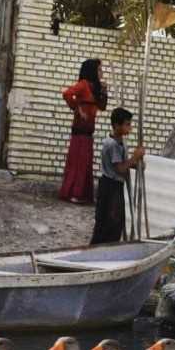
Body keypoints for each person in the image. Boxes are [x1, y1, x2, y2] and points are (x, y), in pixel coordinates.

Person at [91, 107, 145, 245]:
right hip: (110, 186)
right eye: (127, 124)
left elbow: (122, 163)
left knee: (115, 221)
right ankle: (102, 249)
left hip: (114, 185)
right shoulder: (112, 145)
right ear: (116, 125)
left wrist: (136, 164)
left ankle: (106, 247)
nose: (130, 127)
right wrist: (134, 158)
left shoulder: (120, 142)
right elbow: (120, 168)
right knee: (110, 222)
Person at [59, 58, 108, 204]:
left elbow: (102, 107)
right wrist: (77, 108)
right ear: (92, 70)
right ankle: (73, 193)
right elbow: (67, 94)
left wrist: (104, 91)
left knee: (85, 164)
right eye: (99, 69)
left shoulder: (96, 87)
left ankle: (82, 195)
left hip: (89, 132)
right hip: (79, 131)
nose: (101, 72)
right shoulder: (83, 85)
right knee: (77, 164)